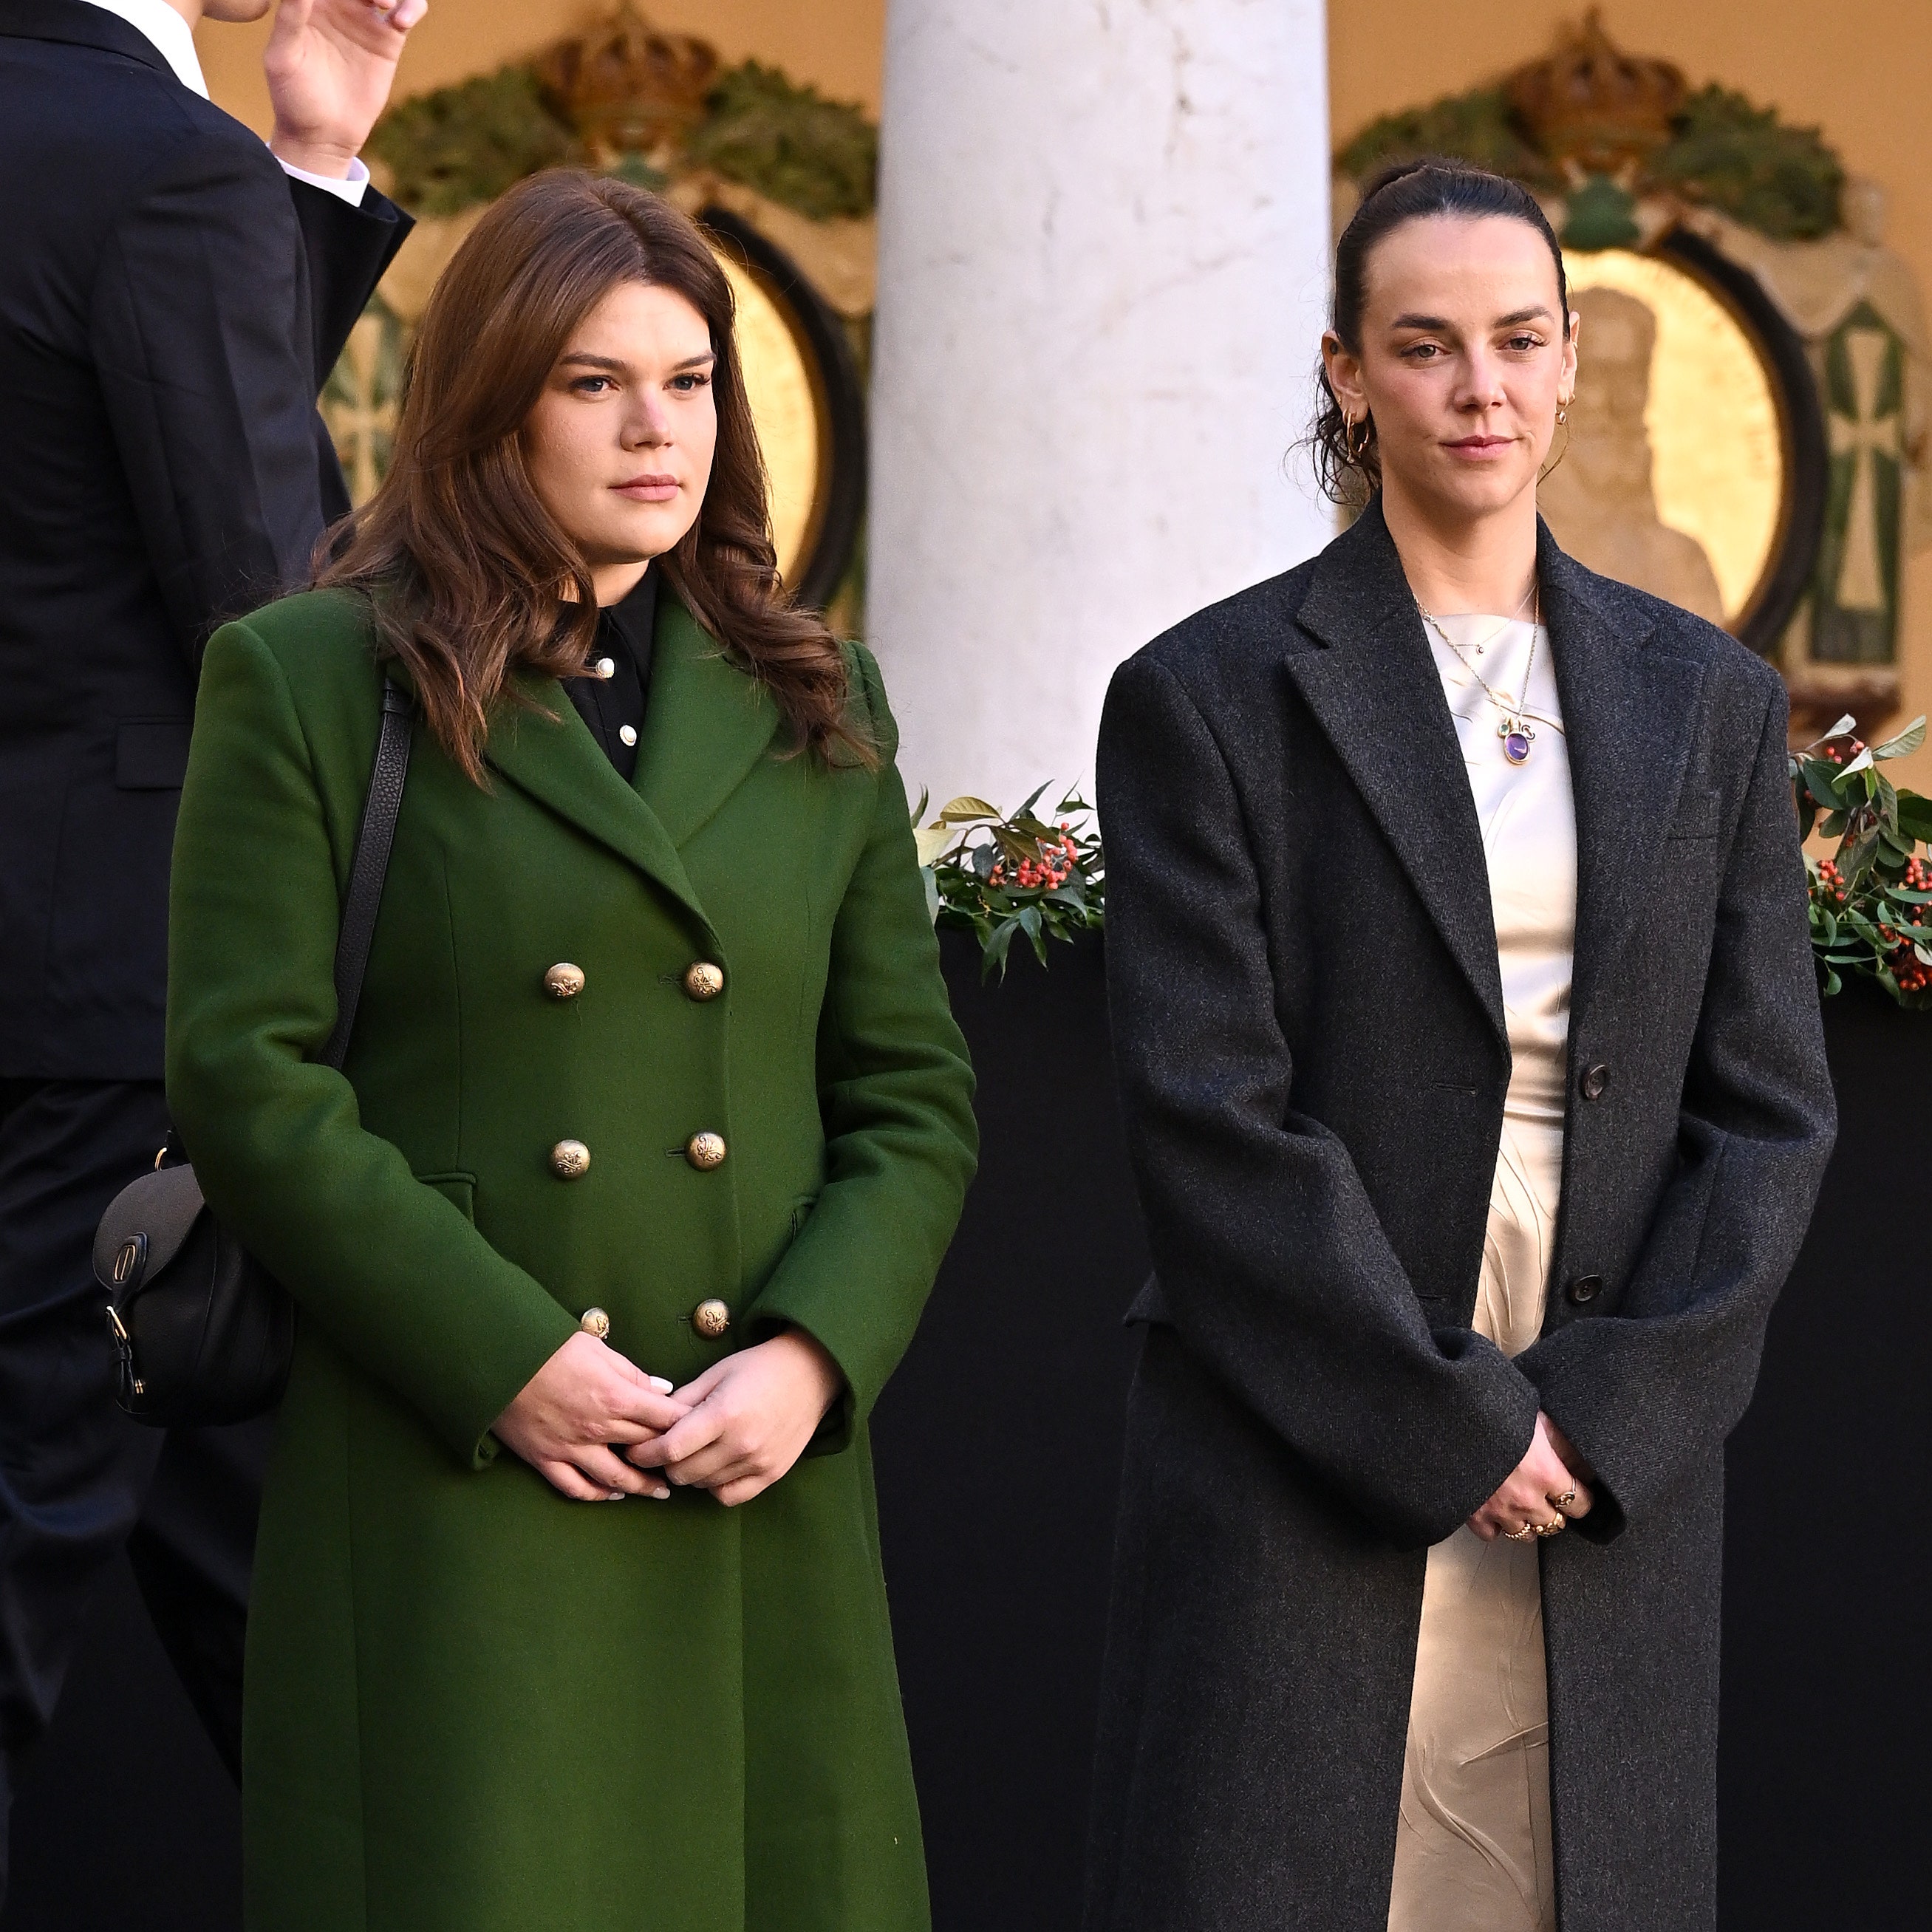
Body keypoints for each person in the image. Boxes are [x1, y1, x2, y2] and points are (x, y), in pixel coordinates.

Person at [164, 170, 977, 1931]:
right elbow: (246, 1075)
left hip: (746, 1479)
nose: (654, 429)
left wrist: (812, 1362)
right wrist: (507, 1357)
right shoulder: (309, 679)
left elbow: (912, 1102)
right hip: (453, 1489)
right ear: (489, 401)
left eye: (688, 382)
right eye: (593, 382)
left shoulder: (813, 698)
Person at [1083, 159, 1835, 1932]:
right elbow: (1210, 1113)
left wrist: (1614, 1411)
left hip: (1606, 1408)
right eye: (1425, 347)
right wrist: (1447, 1424)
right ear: (1347, 372)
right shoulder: (1206, 693)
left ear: (1573, 357)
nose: (1479, 387)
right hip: (1316, 1388)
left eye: (1517, 340)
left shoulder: (1707, 697)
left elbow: (1771, 1111)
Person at [0, 0, 417, 1894]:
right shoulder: (162, 166)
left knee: (289, 1604)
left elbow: (98, 450)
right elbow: (269, 623)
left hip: (76, 985)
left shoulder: (143, 161)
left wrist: (310, 172)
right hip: (128, 1009)